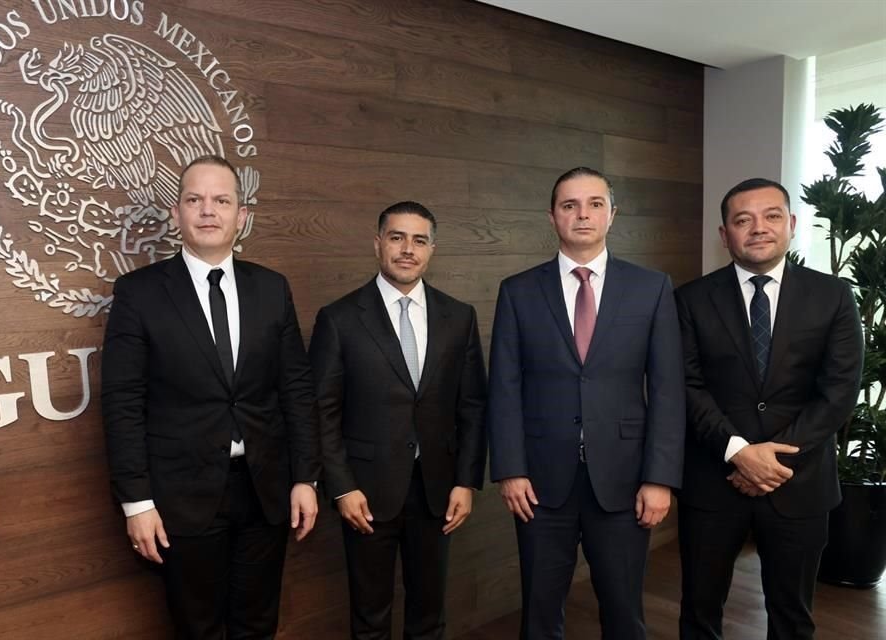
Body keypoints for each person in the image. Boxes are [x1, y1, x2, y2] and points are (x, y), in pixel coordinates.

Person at [101, 155, 320, 640]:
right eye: (194, 200)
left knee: (258, 624)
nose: (207, 211)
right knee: (198, 628)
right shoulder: (139, 293)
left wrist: (305, 476)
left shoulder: (272, 288)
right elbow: (122, 404)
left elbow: (296, 391)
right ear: (176, 214)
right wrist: (136, 503)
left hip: (265, 490)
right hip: (182, 496)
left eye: (221, 200)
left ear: (241, 217)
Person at [487, 167, 686, 640]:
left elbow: (666, 388)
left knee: (623, 612)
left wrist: (659, 479)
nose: (582, 214)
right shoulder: (518, 291)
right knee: (539, 611)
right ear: (552, 217)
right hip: (539, 484)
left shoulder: (651, 287)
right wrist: (510, 469)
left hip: (623, 480)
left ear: (612, 215)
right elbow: (504, 386)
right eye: (569, 205)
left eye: (595, 204)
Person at [675, 177, 863, 640]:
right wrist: (738, 450)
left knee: (792, 616)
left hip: (798, 481)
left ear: (792, 224)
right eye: (743, 220)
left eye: (771, 216)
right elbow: (685, 384)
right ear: (725, 234)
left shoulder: (833, 295)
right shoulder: (690, 299)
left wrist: (770, 459)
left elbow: (839, 390)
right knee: (699, 612)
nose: (757, 228)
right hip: (713, 482)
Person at [309, 201, 488, 640]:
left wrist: (466, 481)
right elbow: (322, 412)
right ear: (377, 244)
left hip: (437, 492)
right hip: (365, 495)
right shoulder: (339, 318)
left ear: (431, 249)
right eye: (397, 237)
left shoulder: (459, 317)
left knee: (429, 615)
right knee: (370, 617)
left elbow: (473, 406)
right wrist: (342, 487)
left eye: (419, 240)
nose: (408, 249)